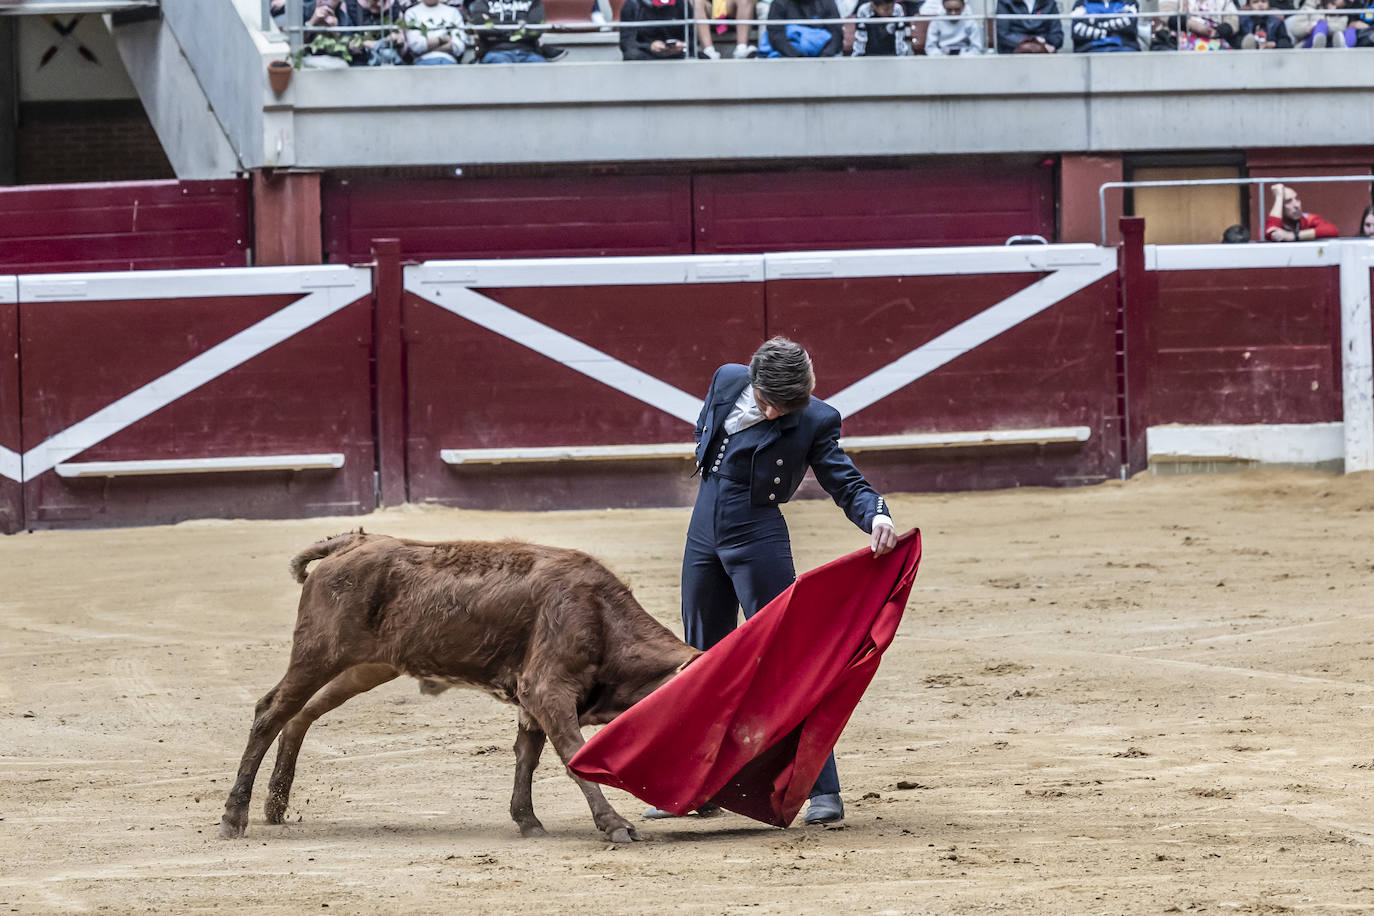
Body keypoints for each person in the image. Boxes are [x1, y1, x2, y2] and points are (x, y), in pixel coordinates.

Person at [645, 338, 898, 827]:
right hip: (703, 528)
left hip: (757, 533)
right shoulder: (726, 379)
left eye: (789, 406)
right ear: (754, 383)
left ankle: (824, 789)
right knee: (701, 660)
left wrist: (876, 516)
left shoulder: (816, 418)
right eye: (770, 403)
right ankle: (699, 788)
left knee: (788, 657)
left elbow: (845, 481)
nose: (778, 413)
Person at [469, 0, 551, 62]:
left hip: (529, 51)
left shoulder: (533, 2)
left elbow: (536, 29)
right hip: (495, 51)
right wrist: (519, 25)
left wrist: (498, 27)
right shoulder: (482, 2)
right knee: (501, 65)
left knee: (541, 68)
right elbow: (482, 26)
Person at [762, 0, 845, 56]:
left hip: (824, 58)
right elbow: (776, 35)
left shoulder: (827, 2)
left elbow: (836, 35)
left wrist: (824, 57)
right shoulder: (779, 3)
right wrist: (798, 57)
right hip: (788, 58)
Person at [619, 0, 696, 59]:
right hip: (647, 55)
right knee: (632, 55)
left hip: (677, 54)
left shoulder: (682, 3)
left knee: (700, 56)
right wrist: (650, 47)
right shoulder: (633, 3)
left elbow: (693, 38)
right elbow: (626, 43)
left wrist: (682, 45)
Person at [1264, 183, 1339, 241]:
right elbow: (1270, 234)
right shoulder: (1270, 223)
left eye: (1297, 199)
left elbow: (1332, 230)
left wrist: (1292, 236)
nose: (1296, 205)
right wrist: (1279, 197)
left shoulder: (1307, 219)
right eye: (1288, 201)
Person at [404, 0, 468, 64]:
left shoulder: (453, 12)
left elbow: (459, 46)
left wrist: (428, 46)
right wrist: (442, 40)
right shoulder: (411, 13)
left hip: (449, 62)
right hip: (422, 63)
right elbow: (416, 46)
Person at [693, 0, 759, 58]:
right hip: (708, 5)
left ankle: (741, 49)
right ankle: (709, 51)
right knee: (697, 2)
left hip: (729, 4)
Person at [1159, 0, 1239, 47]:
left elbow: (1232, 20)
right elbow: (1166, 13)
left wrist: (1218, 31)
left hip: (1214, 37)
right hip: (1180, 35)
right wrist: (1191, 25)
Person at [995, 0, 1065, 53]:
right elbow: (1003, 35)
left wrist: (1043, 45)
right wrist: (1034, 41)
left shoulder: (1049, 2)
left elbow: (1057, 36)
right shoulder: (1005, 2)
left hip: (1044, 55)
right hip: (1012, 55)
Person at [1070, 0, 1142, 50]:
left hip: (1124, 48)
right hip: (1091, 49)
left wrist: (1094, 22)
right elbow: (1077, 30)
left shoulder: (1129, 2)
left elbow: (1128, 23)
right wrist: (1108, 32)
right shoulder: (1081, 3)